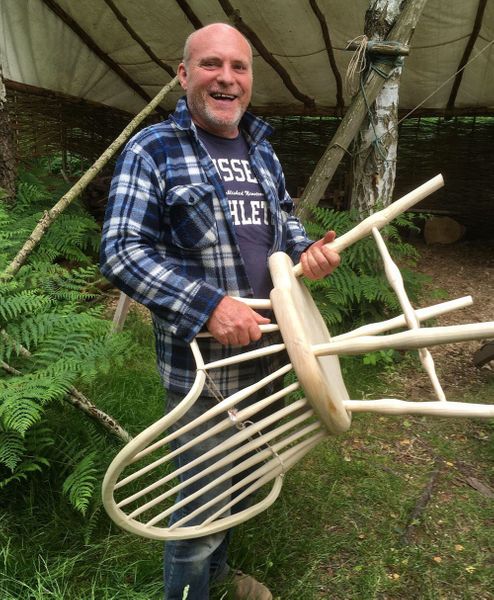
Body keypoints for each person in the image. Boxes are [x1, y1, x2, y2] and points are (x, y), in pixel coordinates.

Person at [100, 22, 340, 600]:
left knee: (236, 485)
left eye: (239, 67)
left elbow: (280, 220)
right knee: (200, 512)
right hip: (205, 372)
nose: (226, 79)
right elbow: (121, 250)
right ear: (183, 75)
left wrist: (305, 248)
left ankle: (218, 582)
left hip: (273, 359)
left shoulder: (260, 145)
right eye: (211, 65)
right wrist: (208, 306)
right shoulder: (152, 148)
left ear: (250, 79)